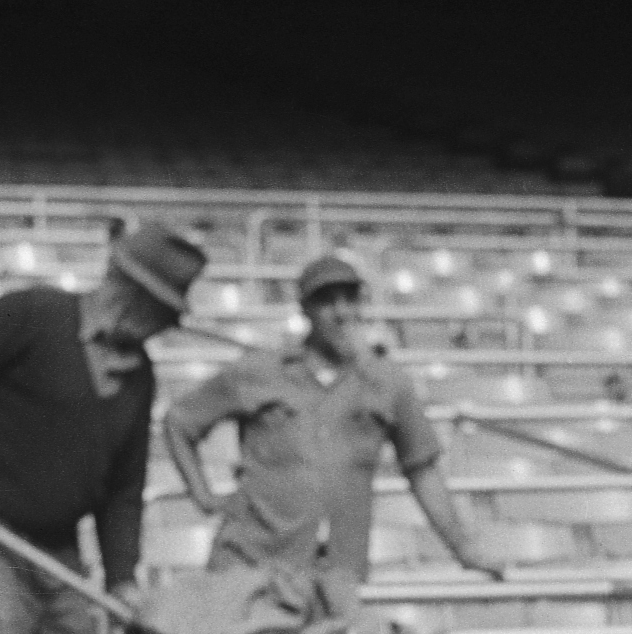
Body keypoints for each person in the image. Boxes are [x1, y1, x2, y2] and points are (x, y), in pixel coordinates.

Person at [0, 220, 206, 634]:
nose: (164, 327)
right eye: (160, 311)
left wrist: (122, 578)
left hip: (58, 551)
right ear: (127, 291)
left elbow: (124, 490)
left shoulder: (140, 375)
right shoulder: (39, 315)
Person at [163, 251, 502, 605]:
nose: (341, 313)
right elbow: (180, 422)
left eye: (350, 299)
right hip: (253, 565)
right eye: (326, 301)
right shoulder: (260, 371)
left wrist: (463, 548)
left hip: (336, 575)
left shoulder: (387, 382)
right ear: (305, 309)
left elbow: (422, 469)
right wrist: (204, 496)